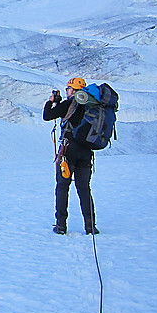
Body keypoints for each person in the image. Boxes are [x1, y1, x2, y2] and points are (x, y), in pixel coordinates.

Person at [43, 77, 99, 235]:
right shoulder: (90, 106)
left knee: (62, 186)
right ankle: (90, 226)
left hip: (68, 151)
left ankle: (61, 225)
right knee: (84, 188)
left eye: (68, 89)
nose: (67, 91)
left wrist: (52, 102)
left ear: (73, 90)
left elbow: (48, 115)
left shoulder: (69, 104)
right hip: (86, 152)